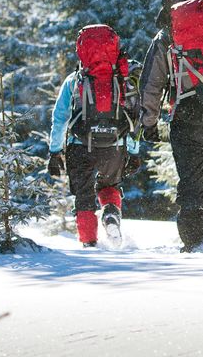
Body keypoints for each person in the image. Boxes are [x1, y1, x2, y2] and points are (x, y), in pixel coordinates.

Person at [138, 0, 203, 253]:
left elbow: (151, 84)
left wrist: (148, 122)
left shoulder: (166, 37)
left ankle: (193, 243)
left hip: (186, 117)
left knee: (191, 183)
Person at [47, 24, 140, 248]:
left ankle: (89, 244)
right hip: (114, 145)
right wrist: (134, 151)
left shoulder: (74, 80)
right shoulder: (122, 80)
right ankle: (110, 214)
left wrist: (55, 151)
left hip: (79, 145)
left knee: (84, 196)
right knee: (110, 186)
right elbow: (134, 117)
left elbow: (60, 118)